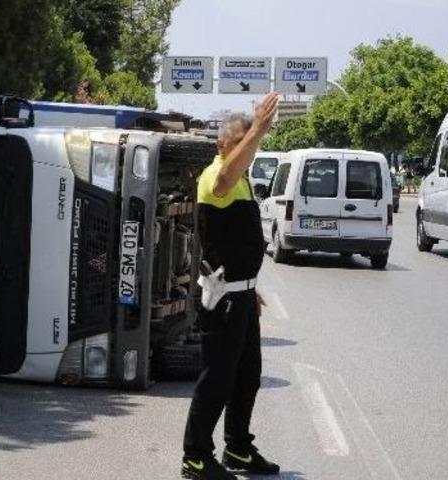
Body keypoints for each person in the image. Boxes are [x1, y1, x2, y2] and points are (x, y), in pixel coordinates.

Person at [181, 92, 281, 480]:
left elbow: (233, 243)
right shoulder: (216, 175)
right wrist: (258, 127)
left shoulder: (242, 179)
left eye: (252, 141)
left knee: (246, 376)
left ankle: (237, 448)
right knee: (216, 379)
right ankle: (195, 456)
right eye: (242, 140)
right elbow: (223, 180)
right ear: (223, 143)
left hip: (239, 295)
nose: (250, 147)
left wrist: (248, 287)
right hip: (221, 300)